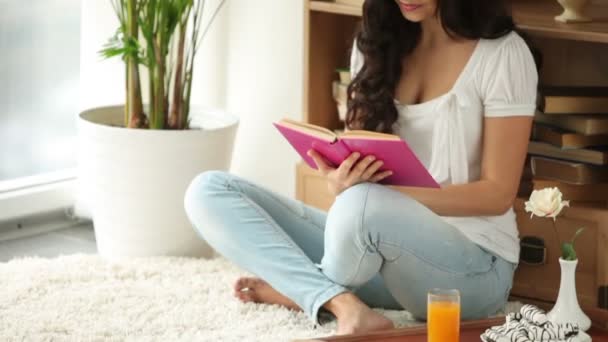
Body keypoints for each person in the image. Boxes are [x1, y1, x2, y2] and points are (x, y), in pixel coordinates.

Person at [184, 0, 538, 335]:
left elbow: (497, 194)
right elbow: (358, 184)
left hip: (471, 271)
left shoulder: (503, 54)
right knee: (208, 190)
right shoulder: (375, 45)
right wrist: (341, 182)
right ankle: (341, 303)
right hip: (378, 254)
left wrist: (379, 196)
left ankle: (306, 289)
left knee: (362, 205)